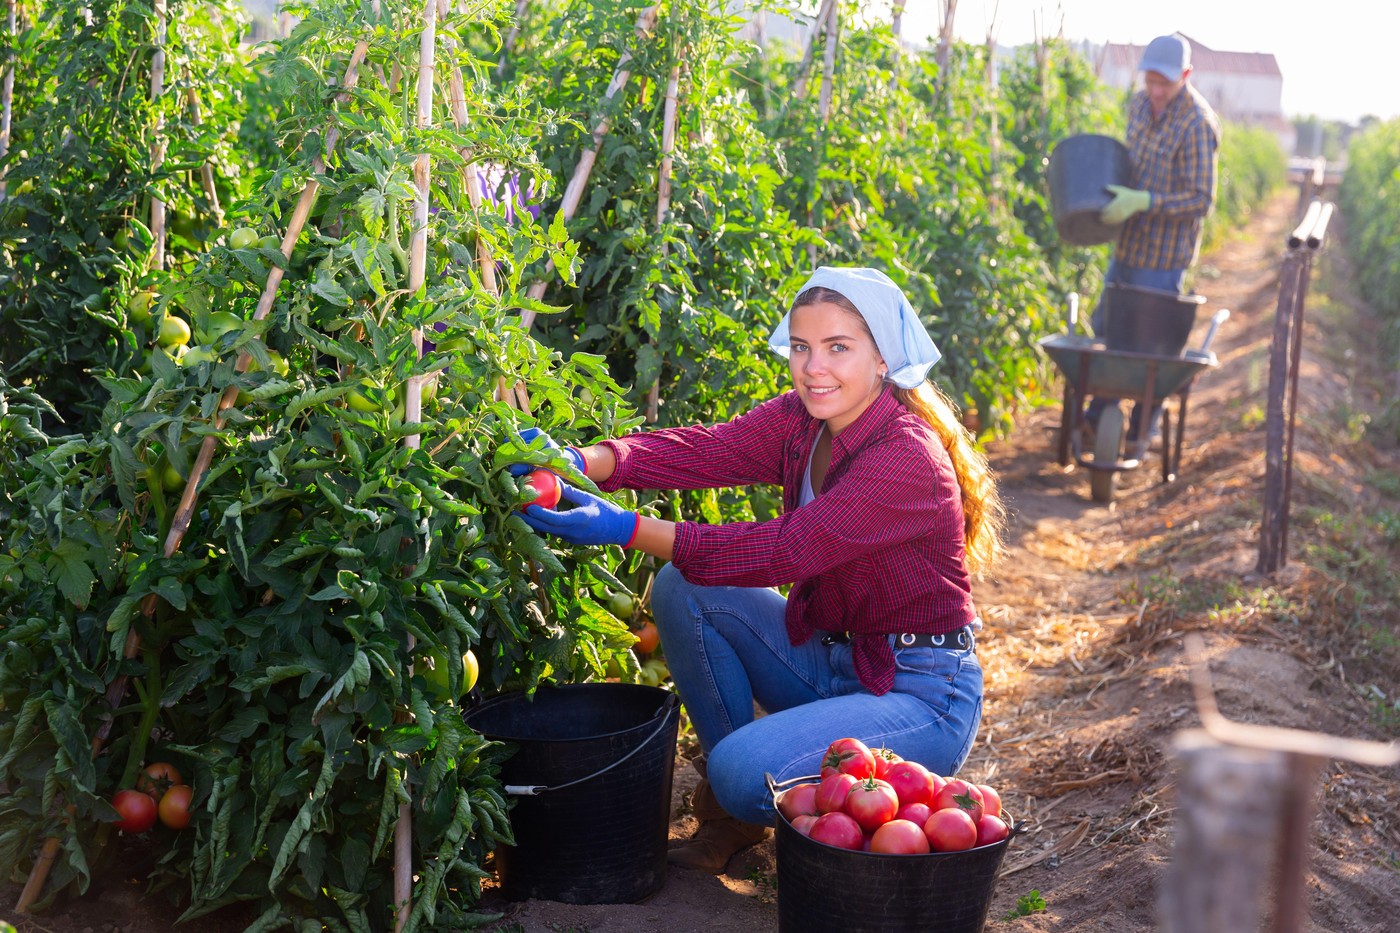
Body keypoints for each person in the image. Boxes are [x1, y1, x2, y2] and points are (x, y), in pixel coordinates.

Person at [511, 267, 1005, 874]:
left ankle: (744, 791)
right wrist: (585, 459)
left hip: (921, 691)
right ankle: (738, 816)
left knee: (742, 771)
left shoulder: (905, 458)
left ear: (883, 360)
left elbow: (785, 550)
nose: (813, 367)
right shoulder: (805, 420)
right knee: (684, 588)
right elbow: (708, 448)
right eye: (801, 346)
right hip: (835, 661)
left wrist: (626, 528)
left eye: (838, 348)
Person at [1089, 32, 1221, 442]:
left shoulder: (1197, 124)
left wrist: (1146, 201)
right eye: (1151, 81)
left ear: (1185, 75)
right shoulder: (1139, 105)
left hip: (1164, 261)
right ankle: (1102, 413)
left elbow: (1201, 200)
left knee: (1152, 351)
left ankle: (1142, 426)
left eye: (1164, 83)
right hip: (1128, 247)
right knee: (1110, 333)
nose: (1156, 90)